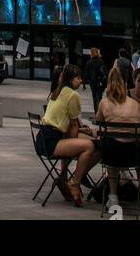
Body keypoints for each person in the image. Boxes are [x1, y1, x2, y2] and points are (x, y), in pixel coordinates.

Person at [37, 64, 99, 207]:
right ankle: (75, 182)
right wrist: (79, 142)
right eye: (78, 78)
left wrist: (81, 133)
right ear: (71, 80)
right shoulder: (73, 95)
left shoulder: (58, 91)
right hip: (52, 141)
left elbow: (67, 125)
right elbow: (73, 128)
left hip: (43, 138)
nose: (81, 81)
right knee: (90, 146)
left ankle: (65, 178)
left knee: (87, 142)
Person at [96, 67, 140, 207]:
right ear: (125, 83)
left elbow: (99, 122)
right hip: (133, 155)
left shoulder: (104, 103)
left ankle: (113, 196)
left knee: (110, 146)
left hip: (111, 154)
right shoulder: (135, 105)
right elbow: (138, 128)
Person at [84, 48, 108, 114]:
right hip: (100, 82)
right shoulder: (101, 61)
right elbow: (104, 72)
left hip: (93, 83)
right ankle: (100, 113)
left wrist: (85, 82)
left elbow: (86, 73)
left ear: (91, 53)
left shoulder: (89, 62)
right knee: (99, 97)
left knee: (94, 98)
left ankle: (96, 113)